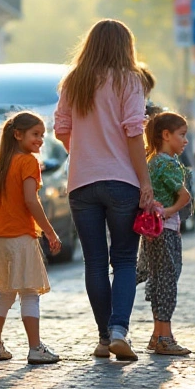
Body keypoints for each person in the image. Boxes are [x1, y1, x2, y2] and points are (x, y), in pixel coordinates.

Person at [54, 19, 152, 361]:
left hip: (81, 183)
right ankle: (118, 331)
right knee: (124, 259)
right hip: (122, 181)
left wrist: (84, 156)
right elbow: (133, 133)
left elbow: (61, 129)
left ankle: (102, 338)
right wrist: (146, 182)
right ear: (126, 46)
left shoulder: (73, 81)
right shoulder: (130, 80)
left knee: (94, 262)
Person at [0, 111, 62, 365]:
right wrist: (50, 232)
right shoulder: (28, 162)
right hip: (22, 235)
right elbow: (31, 201)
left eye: (42, 136)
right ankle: (35, 348)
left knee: (6, 293)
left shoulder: (2, 163)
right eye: (35, 134)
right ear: (18, 134)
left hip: (0, 237)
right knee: (30, 293)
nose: (40, 140)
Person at [136, 111, 193, 356]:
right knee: (168, 279)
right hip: (165, 230)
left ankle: (157, 334)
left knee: (158, 279)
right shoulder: (168, 163)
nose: (185, 141)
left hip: (151, 232)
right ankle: (165, 336)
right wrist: (168, 212)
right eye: (182, 135)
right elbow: (184, 196)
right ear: (166, 135)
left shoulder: (151, 161)